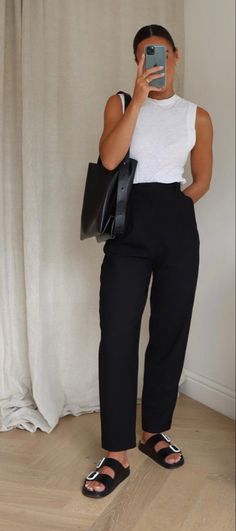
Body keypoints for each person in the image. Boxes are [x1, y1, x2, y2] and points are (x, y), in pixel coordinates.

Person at [82, 24, 213, 498]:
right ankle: (116, 453)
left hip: (177, 230)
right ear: (137, 61)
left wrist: (177, 209)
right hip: (128, 231)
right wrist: (138, 99)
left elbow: (200, 179)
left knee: (170, 330)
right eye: (143, 55)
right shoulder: (119, 102)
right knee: (117, 334)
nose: (153, 61)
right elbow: (110, 158)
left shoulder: (197, 116)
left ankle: (153, 430)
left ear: (175, 56)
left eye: (158, 53)